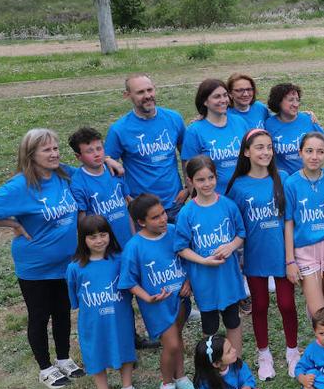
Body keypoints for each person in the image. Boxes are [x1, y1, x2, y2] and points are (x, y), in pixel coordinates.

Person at [0, 128, 83, 388]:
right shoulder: (21, 185)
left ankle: (64, 359)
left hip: (65, 262)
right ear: (31, 155)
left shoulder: (63, 174)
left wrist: (110, 161)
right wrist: (12, 223)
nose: (54, 153)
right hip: (35, 266)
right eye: (47, 150)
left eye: (56, 148)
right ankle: (45, 368)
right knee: (40, 315)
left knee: (63, 312)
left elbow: (91, 172)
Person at [226, 129, 298, 381]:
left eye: (269, 146)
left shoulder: (284, 178)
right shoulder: (238, 185)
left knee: (287, 305)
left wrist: (291, 259)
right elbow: (233, 222)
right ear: (246, 152)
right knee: (259, 305)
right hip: (255, 256)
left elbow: (290, 220)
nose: (265, 152)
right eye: (259, 147)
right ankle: (264, 354)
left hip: (282, 254)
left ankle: (292, 351)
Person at [119, 193, 192, 389]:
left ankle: (181, 377)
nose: (162, 219)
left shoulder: (173, 232)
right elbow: (129, 281)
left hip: (180, 299)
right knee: (170, 344)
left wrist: (188, 281)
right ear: (141, 221)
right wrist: (147, 298)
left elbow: (186, 258)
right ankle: (167, 383)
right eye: (155, 217)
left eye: (162, 214)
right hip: (157, 306)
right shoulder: (134, 247)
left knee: (177, 338)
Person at [67, 214, 139, 389]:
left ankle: (127, 388)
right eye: (92, 237)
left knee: (124, 348)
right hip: (92, 322)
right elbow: (75, 298)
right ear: (83, 239)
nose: (99, 241)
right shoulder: (75, 268)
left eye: (103, 234)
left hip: (120, 318)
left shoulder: (120, 259)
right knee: (95, 353)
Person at [176, 156, 246, 354]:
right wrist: (203, 261)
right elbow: (181, 247)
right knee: (210, 325)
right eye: (200, 179)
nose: (207, 184)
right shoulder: (187, 213)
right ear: (190, 181)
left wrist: (231, 246)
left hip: (228, 276)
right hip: (204, 280)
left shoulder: (228, 205)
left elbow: (241, 234)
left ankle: (235, 361)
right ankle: (213, 364)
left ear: (216, 177)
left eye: (210, 178)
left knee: (233, 320)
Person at [104, 74, 187, 218]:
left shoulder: (174, 119)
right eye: (140, 92)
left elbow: (187, 155)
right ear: (127, 95)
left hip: (175, 203)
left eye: (150, 90)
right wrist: (127, 197)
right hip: (142, 208)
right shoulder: (119, 129)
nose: (147, 95)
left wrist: (188, 187)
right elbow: (108, 166)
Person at [283, 131, 324, 319]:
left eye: (320, 151)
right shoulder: (291, 183)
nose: (314, 157)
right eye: (309, 151)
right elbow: (288, 222)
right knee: (317, 307)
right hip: (305, 250)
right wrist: (290, 260)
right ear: (300, 152)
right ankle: (322, 341)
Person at [67, 126, 133, 255]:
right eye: (89, 151)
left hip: (127, 243)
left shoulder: (115, 170)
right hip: (104, 249)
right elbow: (82, 222)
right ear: (78, 156)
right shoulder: (78, 184)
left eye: (99, 148)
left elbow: (127, 206)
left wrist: (134, 238)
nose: (97, 154)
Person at [181, 78, 248, 192]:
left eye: (225, 95)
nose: (223, 100)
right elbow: (189, 168)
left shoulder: (240, 122)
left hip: (243, 193)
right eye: (217, 97)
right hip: (213, 197)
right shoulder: (194, 130)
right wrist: (197, 198)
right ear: (205, 101)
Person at [264, 82, 322, 177]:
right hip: (283, 181)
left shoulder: (308, 119)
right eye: (291, 100)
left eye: (297, 100)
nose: (296, 104)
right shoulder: (269, 125)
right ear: (278, 101)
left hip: (309, 178)